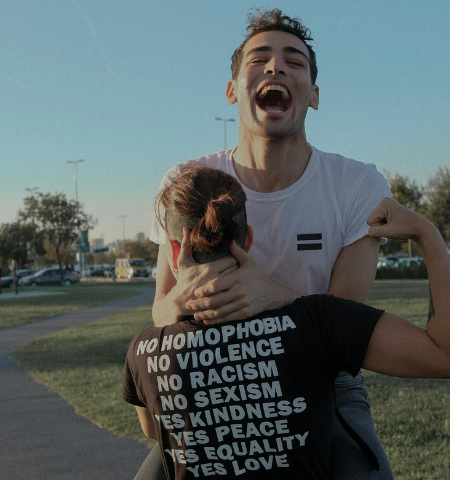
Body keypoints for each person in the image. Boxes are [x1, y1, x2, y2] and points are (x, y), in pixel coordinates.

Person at [146, 8, 392, 480]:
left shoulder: (358, 183)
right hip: (214, 377)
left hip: (324, 382)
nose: (276, 67)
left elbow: (344, 325)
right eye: (258, 59)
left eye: (294, 62)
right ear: (232, 90)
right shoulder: (187, 181)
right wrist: (177, 302)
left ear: (314, 95)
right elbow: (159, 314)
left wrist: (272, 296)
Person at [125, 166, 450, 480]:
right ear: (248, 241)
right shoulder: (319, 321)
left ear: (174, 251)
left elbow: (154, 430)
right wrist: (428, 236)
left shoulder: (144, 351)